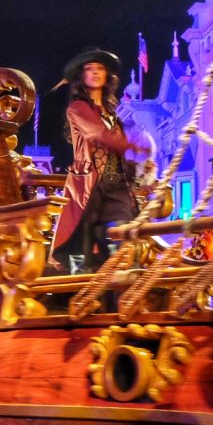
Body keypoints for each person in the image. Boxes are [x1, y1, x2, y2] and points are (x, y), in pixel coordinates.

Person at [51, 48, 149, 273]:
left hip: (116, 186)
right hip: (89, 186)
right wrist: (132, 146)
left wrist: (139, 169)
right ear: (82, 76)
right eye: (89, 69)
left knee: (122, 239)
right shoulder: (77, 108)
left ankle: (119, 288)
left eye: (100, 68)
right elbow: (98, 134)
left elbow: (117, 154)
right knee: (82, 251)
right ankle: (82, 288)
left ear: (107, 75)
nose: (95, 72)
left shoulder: (112, 113)